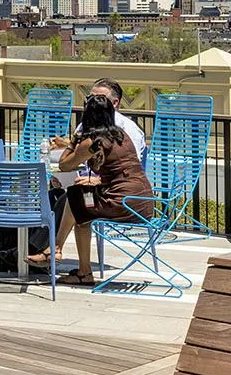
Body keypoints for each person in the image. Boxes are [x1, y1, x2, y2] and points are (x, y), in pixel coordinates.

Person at [30, 122, 153, 286]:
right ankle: (71, 262)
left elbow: (64, 164)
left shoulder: (97, 139)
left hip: (125, 204)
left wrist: (73, 141)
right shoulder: (121, 134)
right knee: (78, 205)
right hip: (142, 201)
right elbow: (123, 167)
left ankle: (59, 253)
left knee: (76, 201)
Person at [88, 78, 148, 156]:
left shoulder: (128, 129)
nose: (92, 103)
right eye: (90, 98)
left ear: (115, 103)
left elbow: (132, 162)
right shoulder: (85, 123)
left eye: (100, 99)